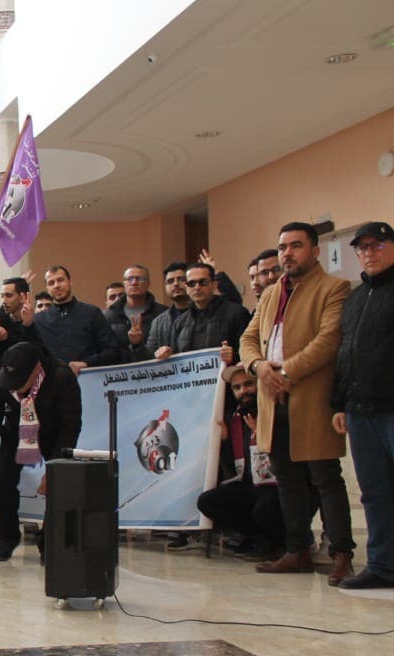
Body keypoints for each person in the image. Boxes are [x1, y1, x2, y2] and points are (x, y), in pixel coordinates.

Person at [239, 221, 354, 582]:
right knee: (286, 478)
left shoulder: (335, 288)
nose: (287, 253)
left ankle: (341, 554)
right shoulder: (272, 293)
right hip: (273, 400)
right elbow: (248, 338)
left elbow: (328, 341)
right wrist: (258, 367)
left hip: (311, 399)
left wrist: (284, 373)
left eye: (296, 246)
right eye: (283, 246)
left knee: (324, 478)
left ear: (315, 250)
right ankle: (297, 550)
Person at [333, 221, 394, 590]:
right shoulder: (355, 298)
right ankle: (382, 565)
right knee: (374, 491)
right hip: (359, 410)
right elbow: (345, 354)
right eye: (363, 247)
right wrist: (338, 403)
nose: (369, 252)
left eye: (377, 245)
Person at [0, 342, 82, 561]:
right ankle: (9, 537)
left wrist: (54, 467)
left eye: (19, 383)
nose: (14, 388)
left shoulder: (62, 377)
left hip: (53, 435)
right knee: (2, 483)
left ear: (36, 369)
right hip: (16, 433)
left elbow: (70, 425)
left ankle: (48, 543)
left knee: (56, 486)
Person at [194, 363, 283, 561]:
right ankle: (256, 537)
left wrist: (266, 438)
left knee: (265, 507)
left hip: (280, 485)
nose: (243, 391)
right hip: (249, 485)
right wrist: (225, 442)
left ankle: (280, 542)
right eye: (237, 387)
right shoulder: (234, 419)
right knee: (208, 501)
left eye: (248, 384)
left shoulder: (275, 410)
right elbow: (233, 469)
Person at [33, 265, 121, 373]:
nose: (56, 286)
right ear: (47, 288)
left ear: (70, 282)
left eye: (60, 280)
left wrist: (86, 363)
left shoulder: (92, 313)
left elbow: (113, 351)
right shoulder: (39, 320)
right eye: (51, 283)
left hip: (89, 379)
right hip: (54, 384)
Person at [104, 265, 166, 363]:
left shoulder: (163, 313)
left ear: (148, 283)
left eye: (140, 279)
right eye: (129, 279)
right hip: (117, 373)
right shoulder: (107, 316)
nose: (134, 283)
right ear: (124, 284)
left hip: (154, 371)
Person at [144, 262, 192, 359]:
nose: (175, 284)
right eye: (170, 281)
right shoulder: (158, 322)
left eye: (181, 279)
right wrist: (157, 354)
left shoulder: (204, 313)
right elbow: (148, 356)